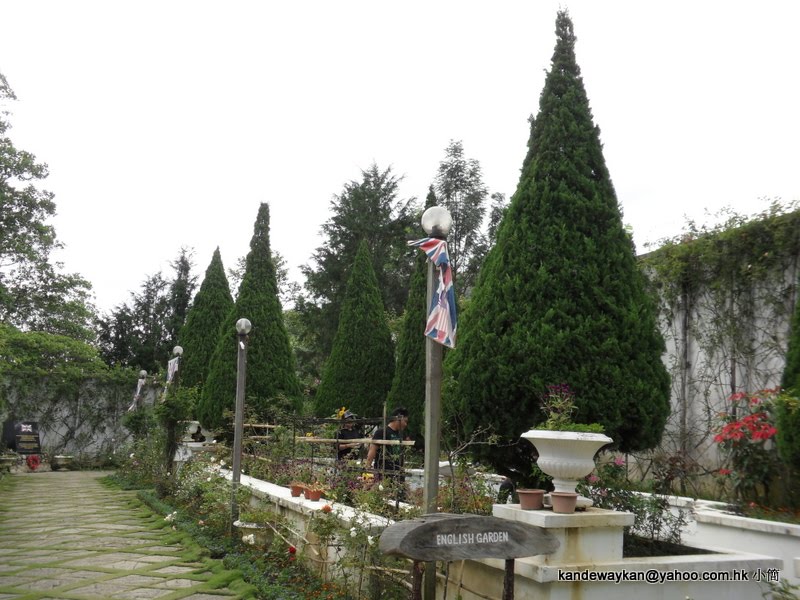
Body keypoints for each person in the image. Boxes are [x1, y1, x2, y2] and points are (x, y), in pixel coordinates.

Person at [365, 407, 410, 493]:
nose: (406, 424)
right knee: (381, 492)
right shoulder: (382, 432)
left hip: (398, 471)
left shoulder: (401, 434)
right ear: (398, 419)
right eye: (405, 421)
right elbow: (372, 450)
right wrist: (368, 467)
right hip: (384, 471)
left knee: (399, 495)